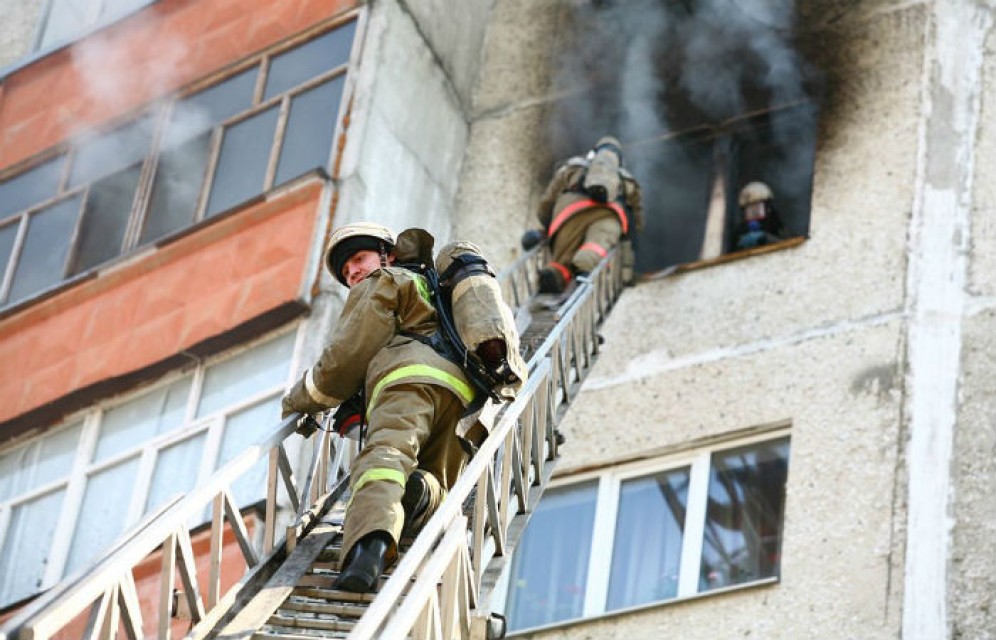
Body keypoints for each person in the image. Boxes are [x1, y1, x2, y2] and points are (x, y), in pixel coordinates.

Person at [280, 222, 525, 593]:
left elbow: (347, 355)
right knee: (435, 482)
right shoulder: (434, 292)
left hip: (408, 385)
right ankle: (419, 493)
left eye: (359, 260)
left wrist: (301, 399)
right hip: (464, 404)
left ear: (387, 255)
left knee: (385, 458)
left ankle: (368, 550)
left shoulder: (388, 280)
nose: (354, 273)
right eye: (347, 273)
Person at [529, 135, 643, 294]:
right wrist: (627, 268)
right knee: (597, 243)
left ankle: (556, 272)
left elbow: (546, 204)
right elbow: (636, 223)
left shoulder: (572, 167)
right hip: (608, 218)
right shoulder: (627, 181)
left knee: (562, 257)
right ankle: (585, 263)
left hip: (570, 215)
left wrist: (548, 227)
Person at [733, 181, 785, 251]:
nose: (754, 214)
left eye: (758, 209)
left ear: (768, 208)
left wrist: (767, 239)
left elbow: (788, 247)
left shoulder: (777, 227)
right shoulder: (740, 233)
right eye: (750, 211)